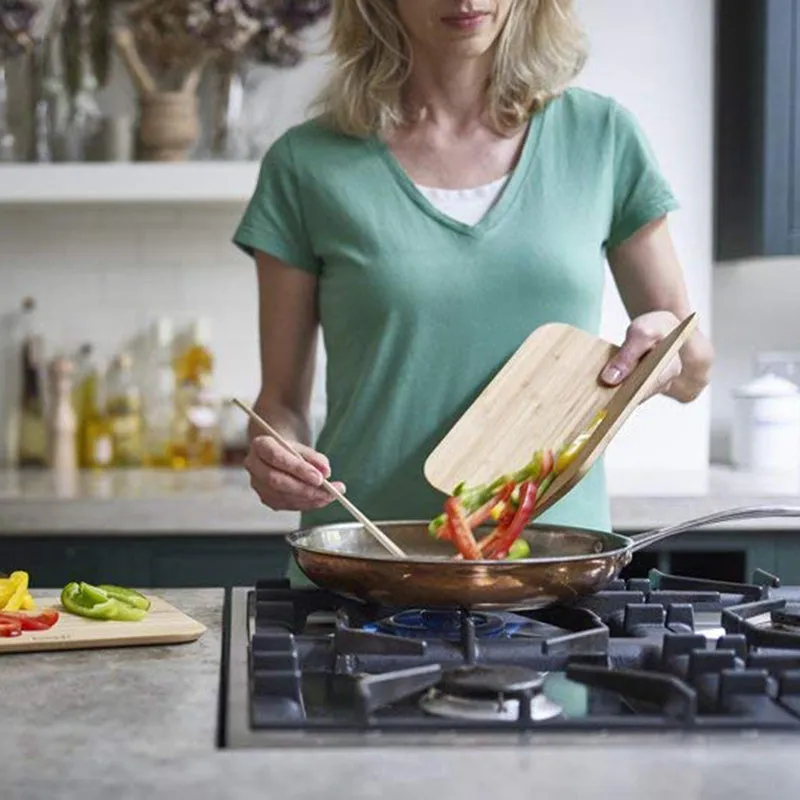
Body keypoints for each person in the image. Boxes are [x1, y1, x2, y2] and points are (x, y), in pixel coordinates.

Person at [233, 0, 714, 573]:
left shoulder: (602, 137)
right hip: (366, 566)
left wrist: (666, 348)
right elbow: (280, 403)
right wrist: (275, 455)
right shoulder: (305, 163)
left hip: (553, 567)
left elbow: (692, 367)